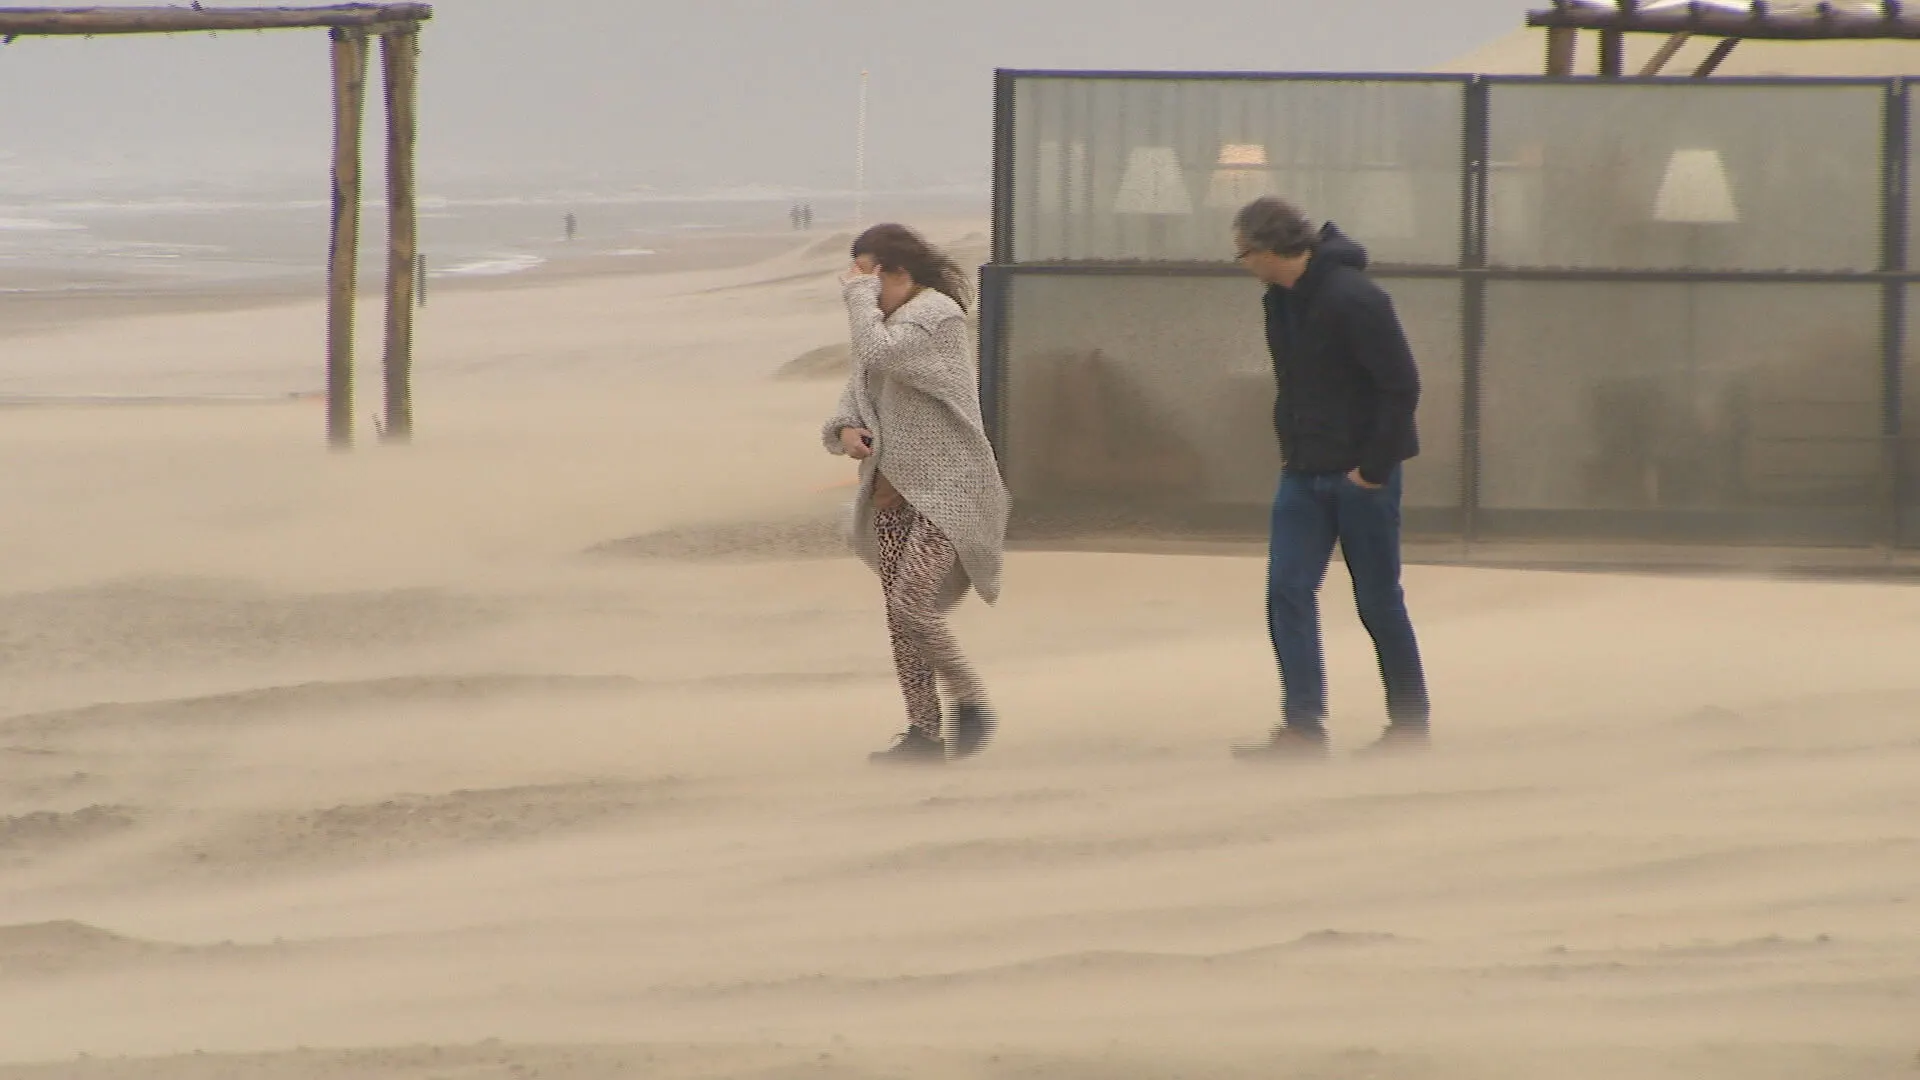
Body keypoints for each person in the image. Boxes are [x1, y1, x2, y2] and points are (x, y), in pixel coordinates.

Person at [1229, 196, 1431, 759]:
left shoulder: (1354, 299)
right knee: (1287, 591)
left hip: (1361, 476)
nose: (1242, 265)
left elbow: (1401, 385)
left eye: (1244, 254)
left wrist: (1371, 469)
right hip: (1302, 474)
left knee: (1377, 600)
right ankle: (1302, 727)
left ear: (1273, 251)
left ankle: (1410, 725)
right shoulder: (1280, 300)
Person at [822, 223, 1010, 765]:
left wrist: (858, 298)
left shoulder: (937, 319)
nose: (858, 288)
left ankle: (970, 698)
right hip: (892, 489)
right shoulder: (881, 324)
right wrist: (844, 429)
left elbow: (881, 356)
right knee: (898, 618)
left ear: (898, 273)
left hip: (949, 488)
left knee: (912, 604)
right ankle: (924, 733)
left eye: (867, 276)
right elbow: (860, 384)